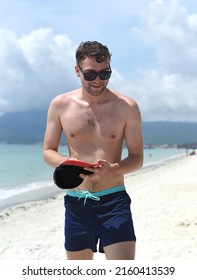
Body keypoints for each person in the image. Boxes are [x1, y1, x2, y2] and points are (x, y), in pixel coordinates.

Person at [43, 41, 143, 260]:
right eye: (90, 74)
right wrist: (67, 163)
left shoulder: (127, 107)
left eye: (104, 73)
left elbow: (136, 158)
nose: (98, 80)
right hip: (77, 202)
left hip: (114, 200)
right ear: (77, 71)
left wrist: (114, 169)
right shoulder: (60, 105)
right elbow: (48, 151)